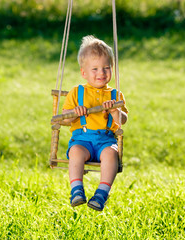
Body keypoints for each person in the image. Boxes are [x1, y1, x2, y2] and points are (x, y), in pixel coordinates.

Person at [62, 35, 128, 211]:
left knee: (111, 154)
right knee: (75, 152)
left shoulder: (116, 95)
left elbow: (123, 121)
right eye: (95, 69)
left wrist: (115, 111)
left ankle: (101, 193)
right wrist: (74, 114)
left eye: (106, 68)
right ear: (84, 72)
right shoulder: (77, 92)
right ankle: (76, 190)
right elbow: (64, 119)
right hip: (82, 139)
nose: (101, 73)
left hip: (106, 140)